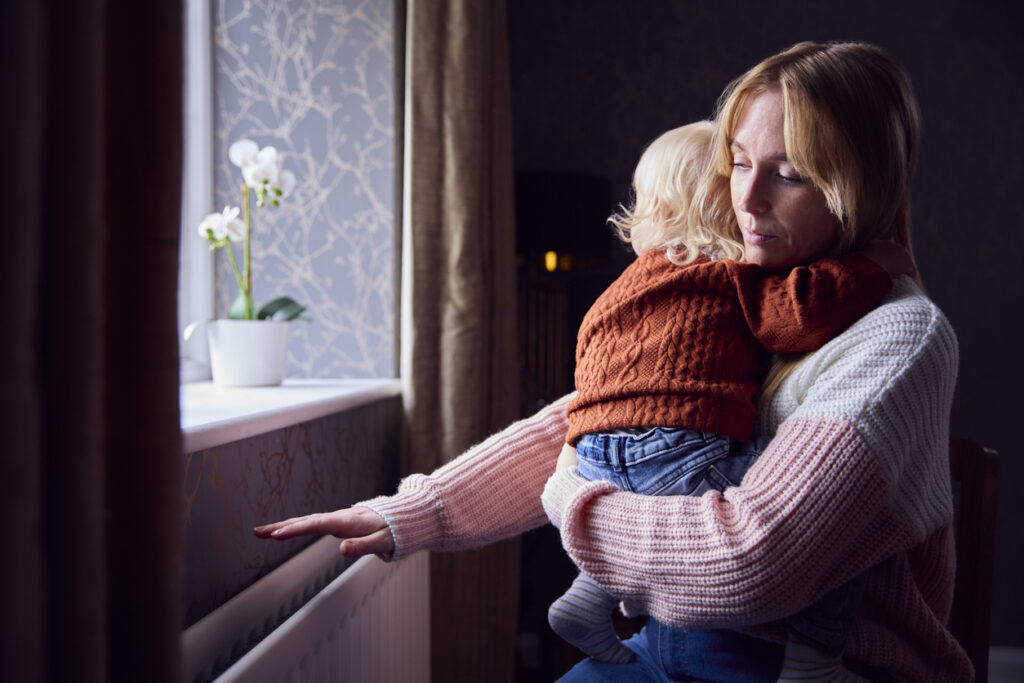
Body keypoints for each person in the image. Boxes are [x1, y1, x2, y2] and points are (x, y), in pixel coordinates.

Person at [255, 41, 971, 682]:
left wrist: (573, 502)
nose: (744, 200)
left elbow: (750, 560)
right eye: (740, 163)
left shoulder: (898, 337)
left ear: (859, 188)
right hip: (673, 649)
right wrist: (410, 512)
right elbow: (593, 422)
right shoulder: (750, 289)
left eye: (788, 175)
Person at [546, 120, 906, 666]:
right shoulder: (729, 271)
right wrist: (872, 267)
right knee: (835, 512)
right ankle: (814, 658)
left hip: (591, 452)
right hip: (675, 447)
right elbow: (798, 317)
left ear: (659, 214)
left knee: (645, 491)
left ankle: (587, 595)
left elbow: (595, 378)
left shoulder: (620, 291)